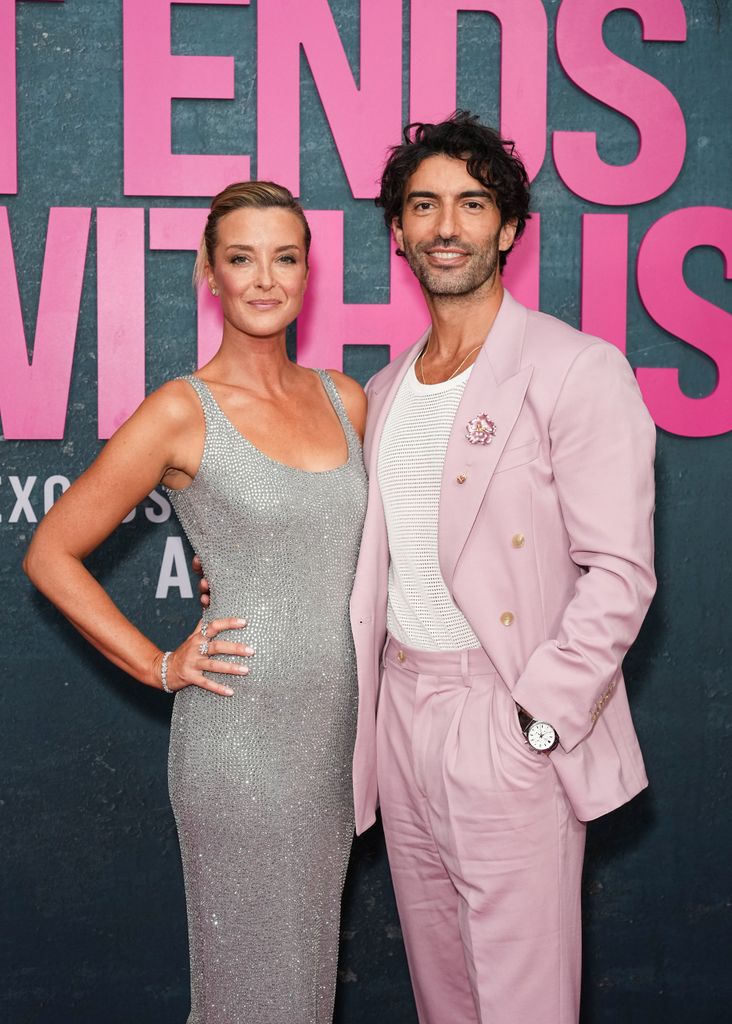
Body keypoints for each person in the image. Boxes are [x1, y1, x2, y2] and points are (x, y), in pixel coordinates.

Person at [23, 181, 368, 1024]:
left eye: (284, 258)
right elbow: (50, 552)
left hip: (332, 743)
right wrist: (158, 662)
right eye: (241, 258)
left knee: (303, 991)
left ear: (307, 273)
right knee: (248, 995)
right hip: (237, 744)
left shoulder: (346, 399)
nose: (264, 279)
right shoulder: (183, 410)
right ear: (207, 276)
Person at [347, 112, 656, 1024]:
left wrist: (538, 721)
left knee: (521, 1003)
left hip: (506, 714)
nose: (448, 225)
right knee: (442, 995)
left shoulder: (576, 369)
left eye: (472, 204)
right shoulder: (382, 391)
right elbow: (369, 560)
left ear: (509, 227)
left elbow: (621, 573)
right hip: (399, 710)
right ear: (398, 231)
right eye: (425, 205)